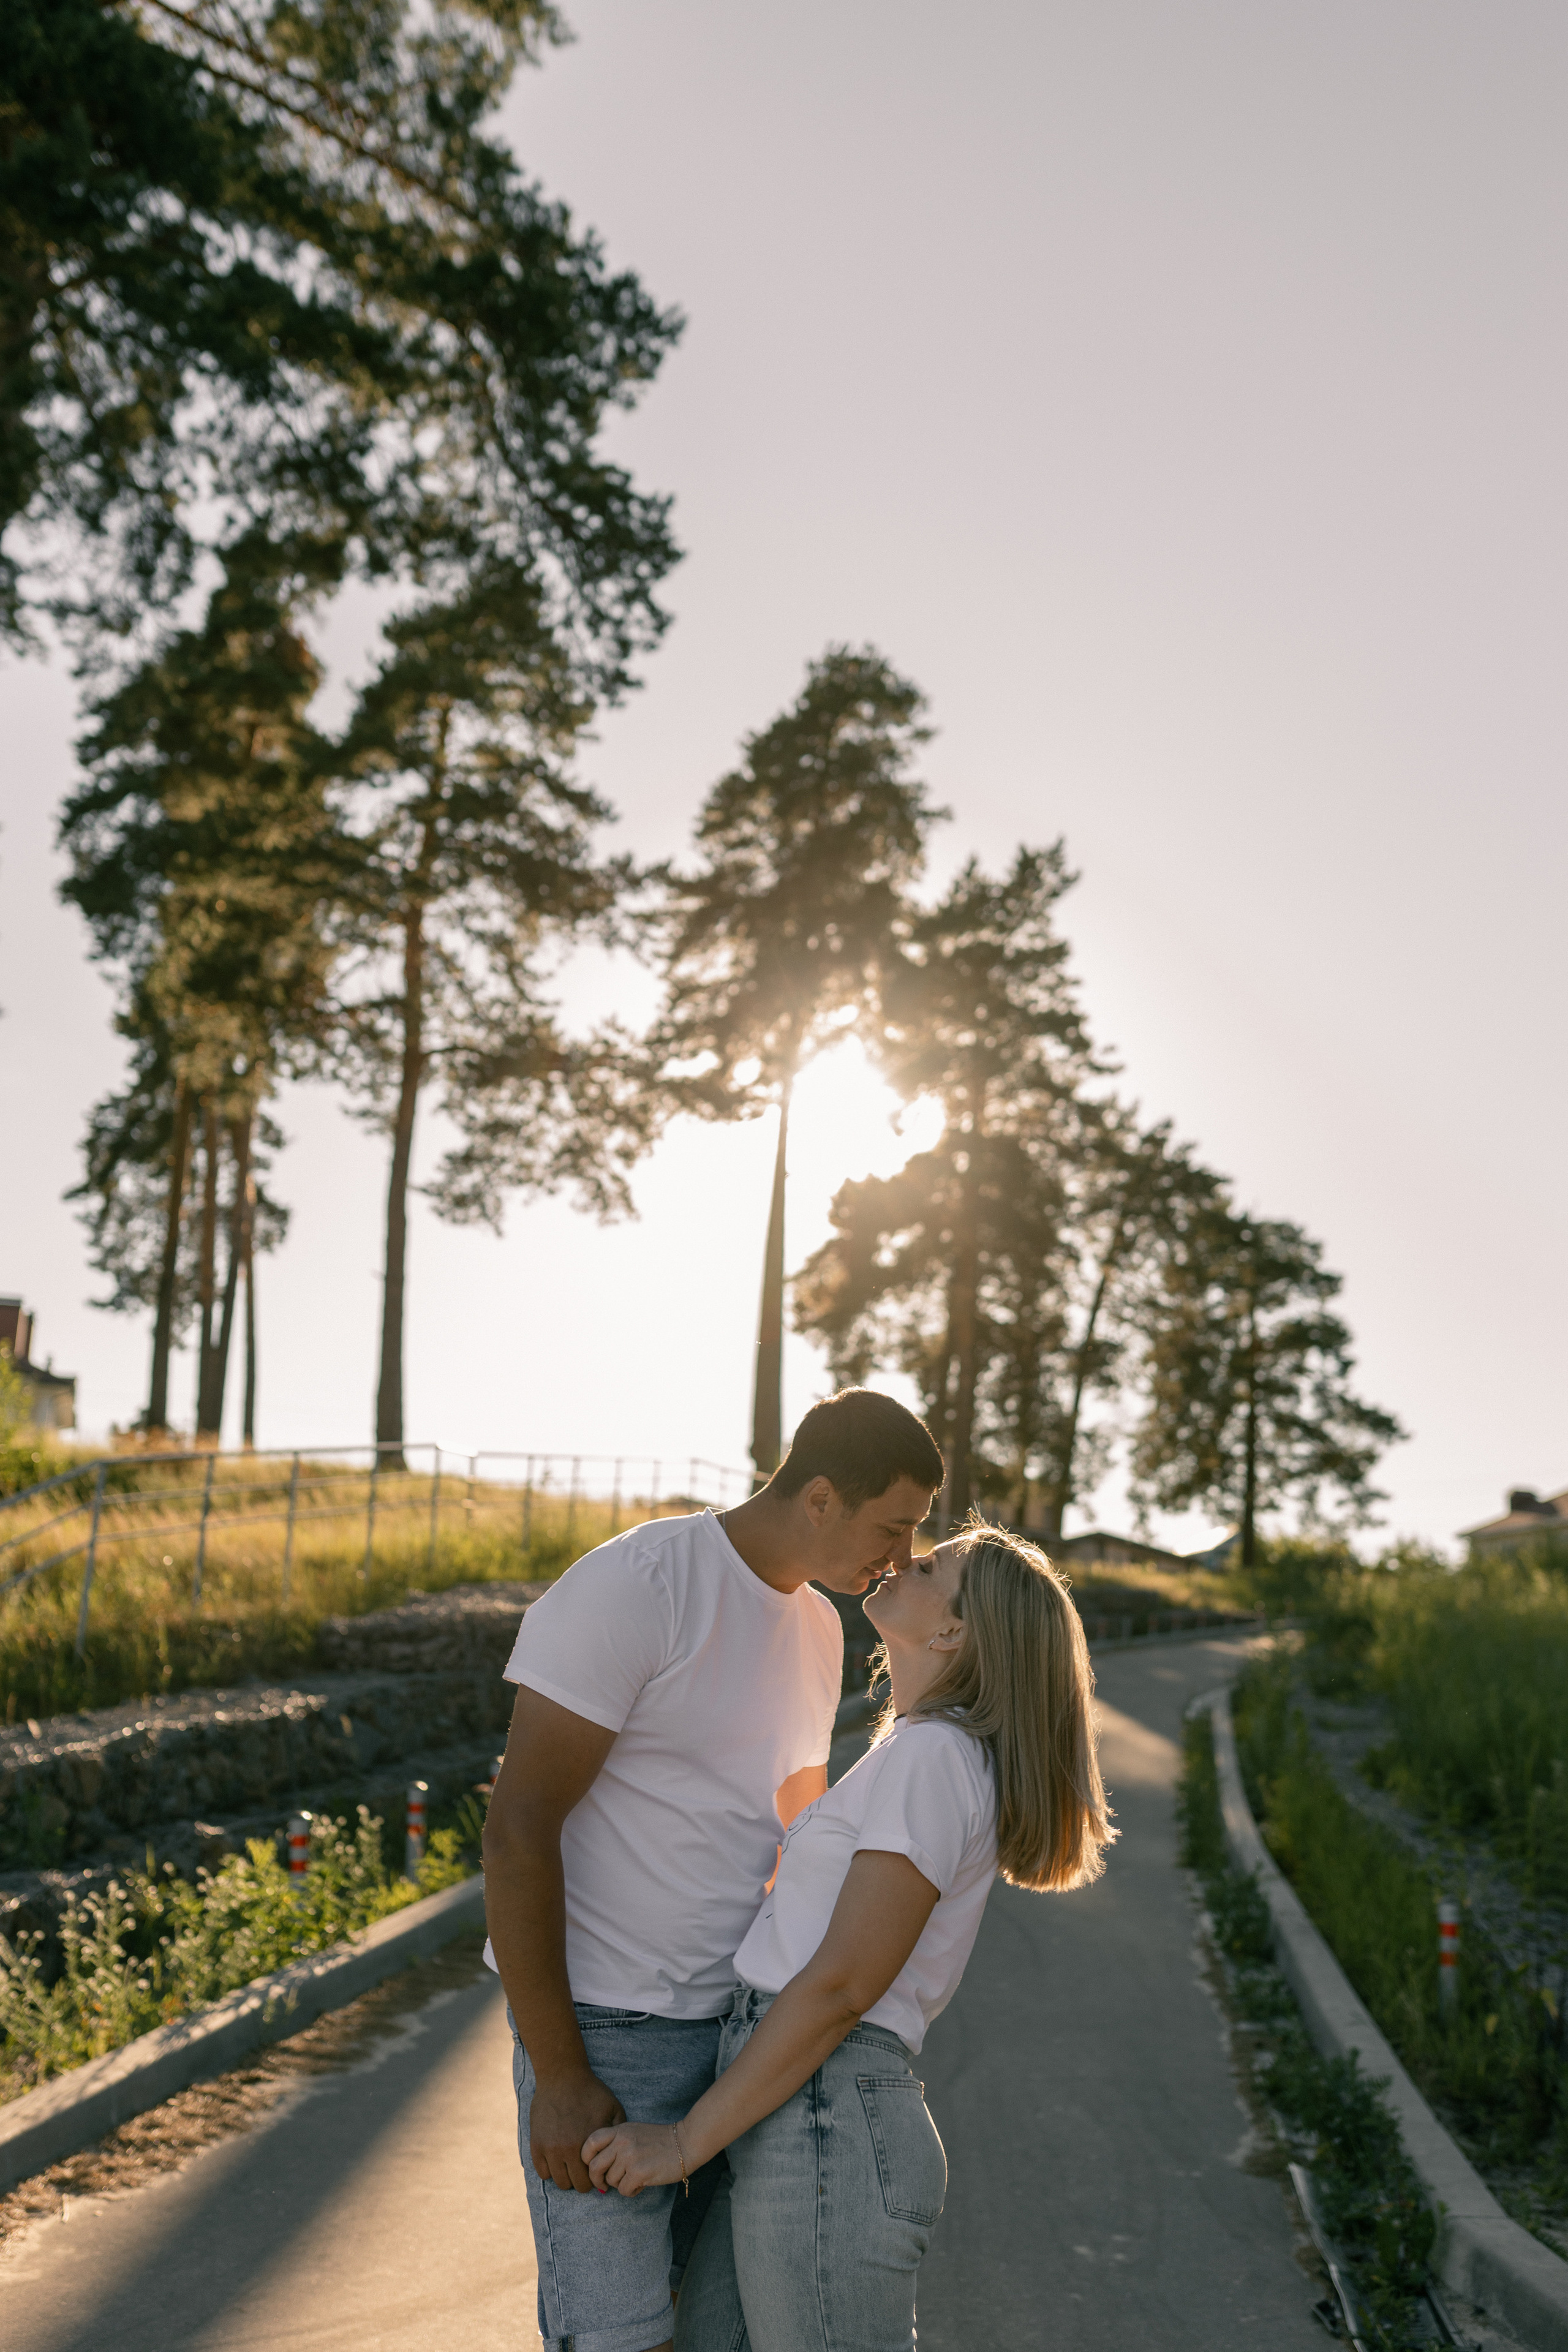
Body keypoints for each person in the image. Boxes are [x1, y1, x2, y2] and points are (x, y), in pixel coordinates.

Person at [482, 1388, 946, 2352]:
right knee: (618, 2339)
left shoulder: (821, 1629)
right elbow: (519, 1828)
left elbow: (794, 1836)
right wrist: (562, 2074)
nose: (900, 1559)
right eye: (892, 1528)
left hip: (738, 2039)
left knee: (712, 2337)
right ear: (820, 1497)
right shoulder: (639, 1586)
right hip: (609, 2036)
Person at [582, 1519, 1115, 2352]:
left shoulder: (935, 1758)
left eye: (932, 1564)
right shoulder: (910, 1749)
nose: (906, 1556)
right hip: (794, 2113)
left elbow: (840, 1988)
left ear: (952, 1630)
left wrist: (683, 2142)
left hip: (826, 2116)